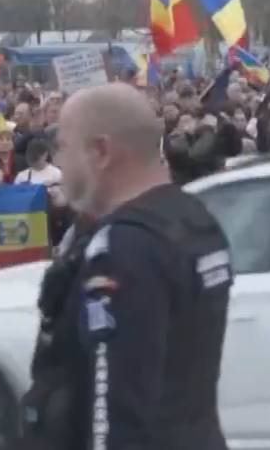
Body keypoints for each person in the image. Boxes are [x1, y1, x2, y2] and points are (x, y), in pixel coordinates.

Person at [22, 83, 231, 450]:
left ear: (101, 151)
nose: (60, 162)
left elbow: (115, 405)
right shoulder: (194, 219)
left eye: (64, 147)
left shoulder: (125, 246)